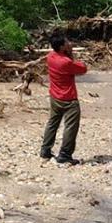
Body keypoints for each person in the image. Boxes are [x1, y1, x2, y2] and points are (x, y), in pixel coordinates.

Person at [41, 33, 87, 165]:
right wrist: (71, 53)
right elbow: (83, 68)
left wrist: (67, 51)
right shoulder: (65, 62)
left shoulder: (50, 56)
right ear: (62, 47)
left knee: (52, 123)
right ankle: (65, 154)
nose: (69, 43)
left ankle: (45, 150)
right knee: (71, 127)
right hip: (68, 98)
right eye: (66, 42)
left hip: (55, 96)